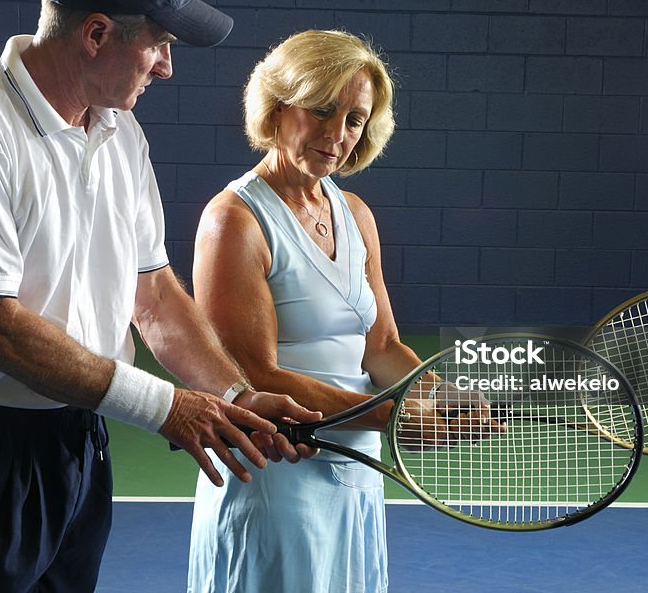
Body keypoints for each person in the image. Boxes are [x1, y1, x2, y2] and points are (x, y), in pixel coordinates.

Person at [0, 0, 318, 592]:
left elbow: (155, 295)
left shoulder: (120, 131)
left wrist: (235, 397)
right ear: (97, 34)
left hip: (77, 443)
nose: (166, 65)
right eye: (159, 44)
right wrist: (169, 408)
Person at [186, 30, 500, 593]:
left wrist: (433, 391)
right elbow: (253, 376)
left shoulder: (354, 212)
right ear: (280, 107)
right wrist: (396, 417)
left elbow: (380, 348)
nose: (337, 135)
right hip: (275, 477)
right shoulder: (234, 220)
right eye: (322, 110)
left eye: (354, 119)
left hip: (356, 471)